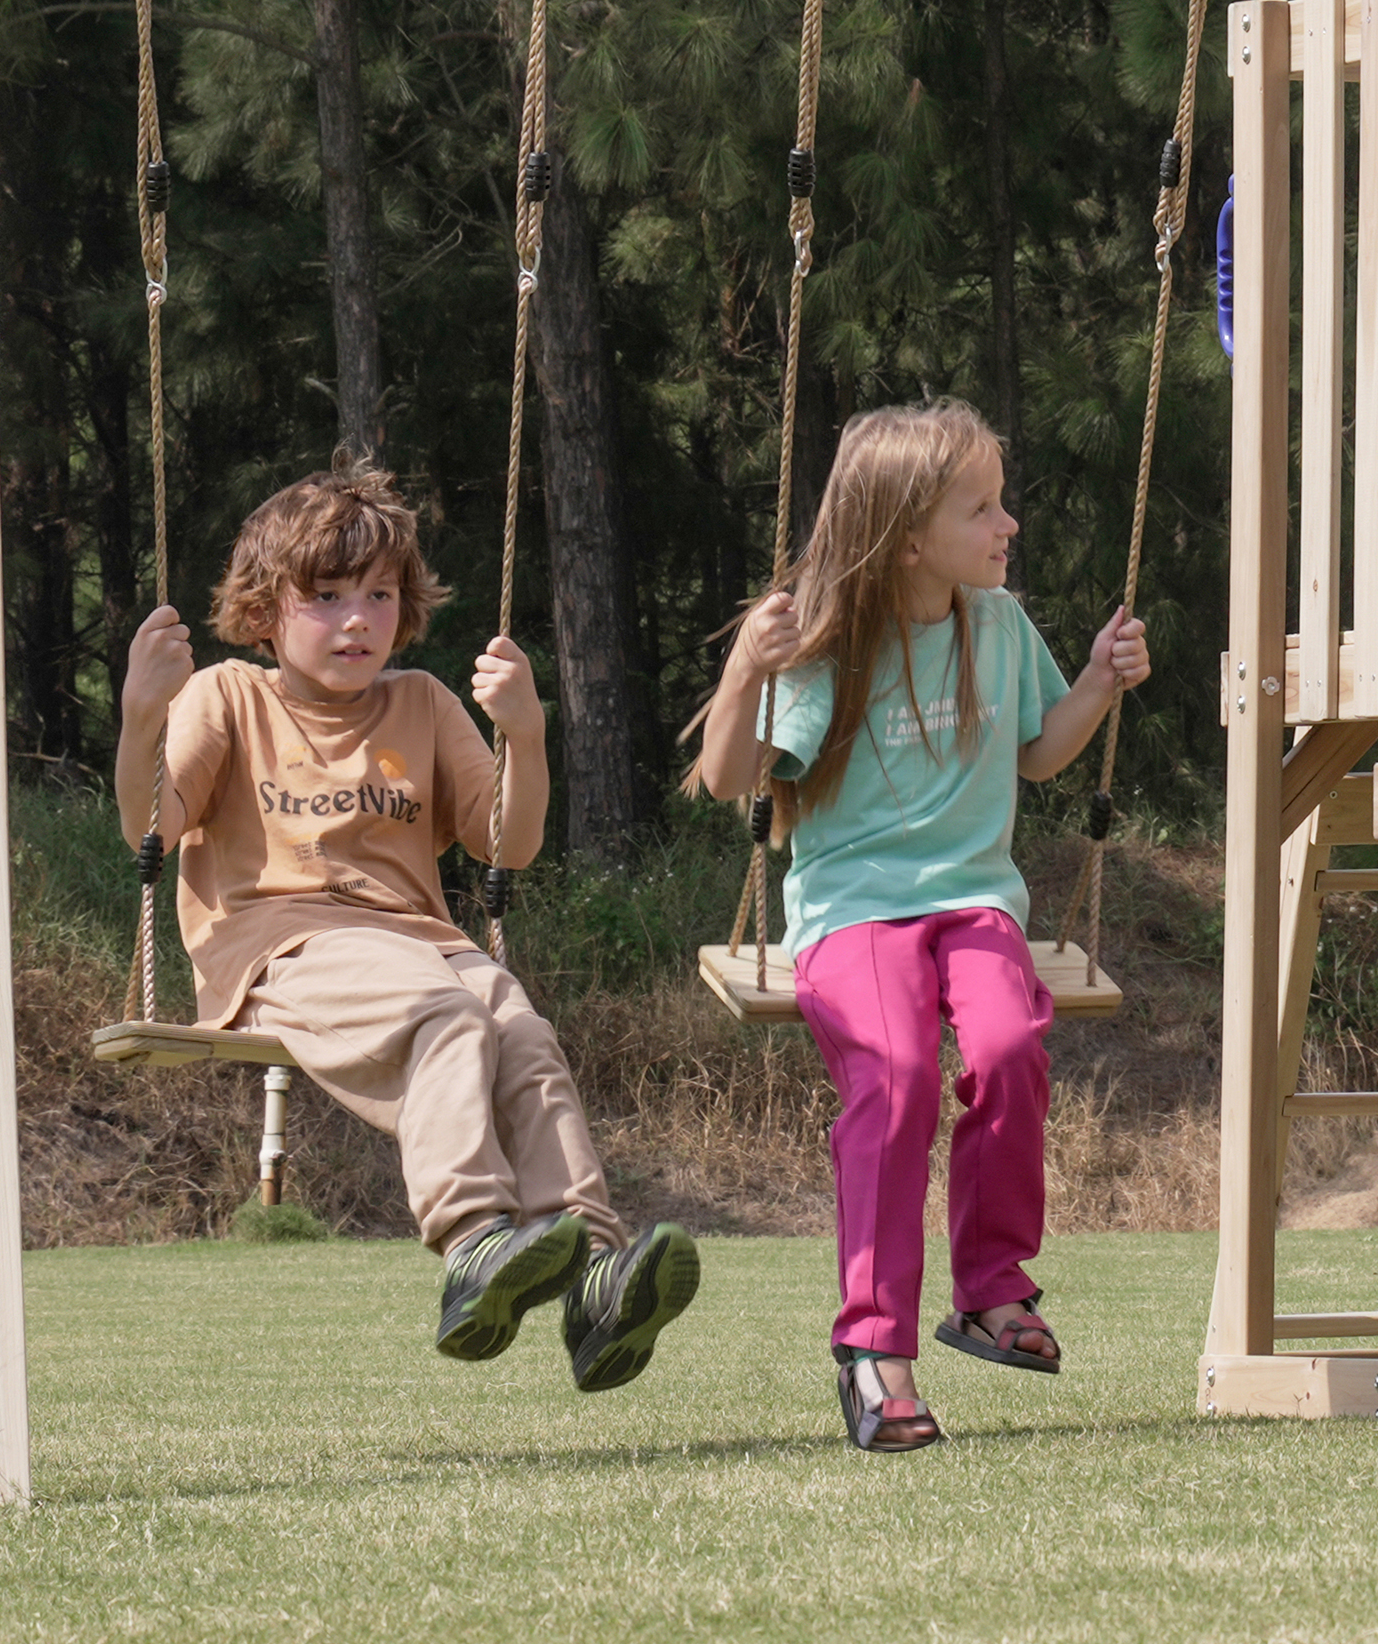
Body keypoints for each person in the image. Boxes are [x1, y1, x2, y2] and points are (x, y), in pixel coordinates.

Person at [117, 462, 698, 1391]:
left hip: (425, 943)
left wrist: (528, 733)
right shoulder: (228, 695)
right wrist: (143, 714)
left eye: (379, 594)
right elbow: (152, 825)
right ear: (266, 609)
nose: (358, 618)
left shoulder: (423, 701)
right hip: (283, 945)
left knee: (523, 1034)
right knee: (449, 1013)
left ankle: (592, 1270)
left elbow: (509, 843)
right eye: (328, 596)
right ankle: (475, 1240)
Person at [689, 401, 1153, 1454]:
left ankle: (989, 1291)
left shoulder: (996, 625)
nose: (1008, 525)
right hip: (851, 909)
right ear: (906, 536)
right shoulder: (830, 644)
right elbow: (727, 780)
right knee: (895, 1079)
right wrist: (746, 671)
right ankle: (872, 1350)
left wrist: (1093, 682)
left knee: (1005, 1043)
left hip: (973, 900)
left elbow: (1038, 755)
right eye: (980, 507)